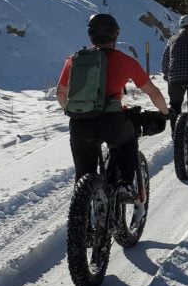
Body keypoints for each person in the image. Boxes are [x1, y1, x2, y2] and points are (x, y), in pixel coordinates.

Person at [57, 13, 169, 201]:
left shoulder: (74, 60)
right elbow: (154, 93)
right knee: (128, 138)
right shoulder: (126, 61)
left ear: (91, 36)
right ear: (115, 35)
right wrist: (165, 113)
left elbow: (60, 93)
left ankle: (84, 206)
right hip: (112, 123)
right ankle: (125, 184)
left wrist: (76, 111)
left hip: (79, 124)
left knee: (83, 177)